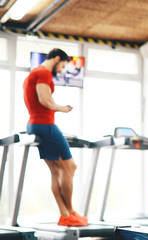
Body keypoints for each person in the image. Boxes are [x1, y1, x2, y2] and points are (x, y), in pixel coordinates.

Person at [23, 48, 88, 227]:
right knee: (70, 167)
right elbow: (45, 101)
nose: (61, 70)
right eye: (63, 65)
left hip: (36, 124)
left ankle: (65, 214)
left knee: (57, 170)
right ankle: (70, 211)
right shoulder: (43, 72)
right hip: (45, 125)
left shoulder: (35, 73)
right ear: (57, 58)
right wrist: (63, 108)